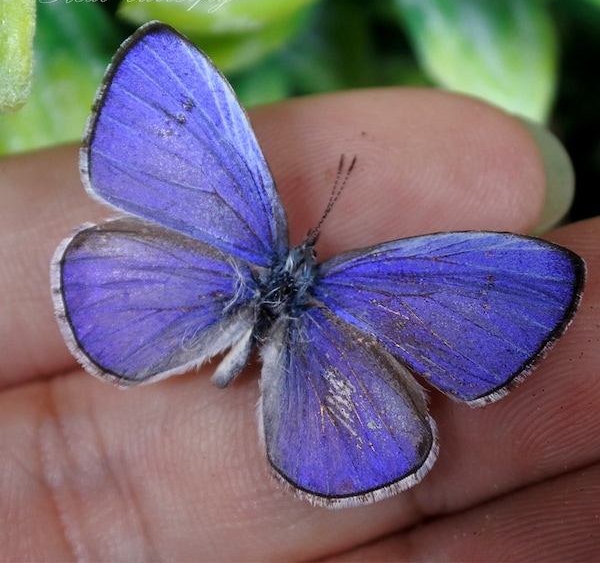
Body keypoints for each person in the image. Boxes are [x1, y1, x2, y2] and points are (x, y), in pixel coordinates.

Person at [0, 88, 597, 560]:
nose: (308, 253)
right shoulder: (375, 275)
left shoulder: (268, 235)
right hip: (291, 327)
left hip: (188, 291)